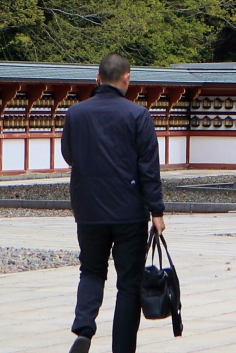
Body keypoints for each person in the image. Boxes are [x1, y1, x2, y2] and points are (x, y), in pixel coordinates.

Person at [61, 53, 167, 353]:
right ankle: (122, 348)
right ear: (127, 78)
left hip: (88, 208)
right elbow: (149, 168)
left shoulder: (75, 114)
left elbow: (69, 155)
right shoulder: (138, 115)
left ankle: (84, 330)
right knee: (128, 283)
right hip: (128, 211)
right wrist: (156, 211)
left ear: (97, 78)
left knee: (92, 271)